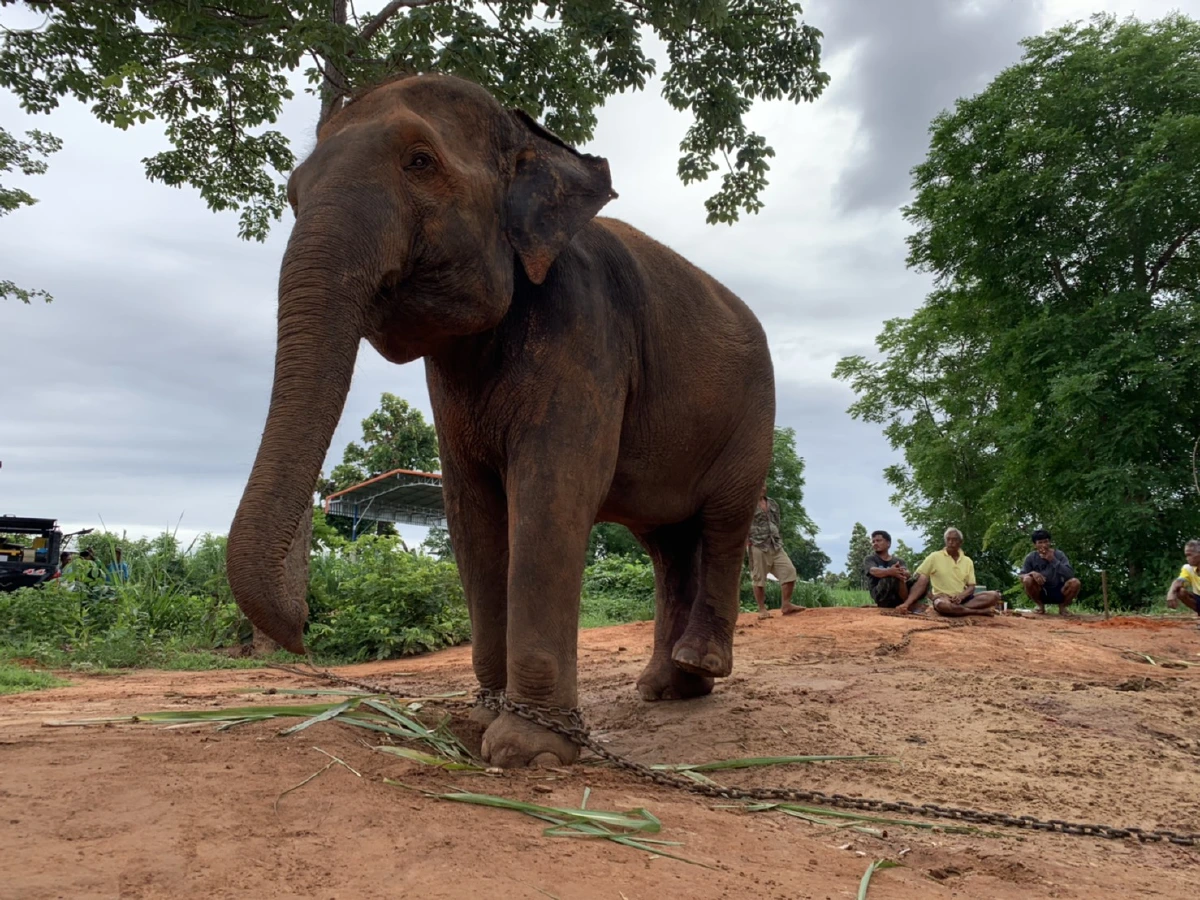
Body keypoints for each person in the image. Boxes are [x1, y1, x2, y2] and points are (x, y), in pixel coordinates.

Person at [901, 527, 1003, 617]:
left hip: (962, 599)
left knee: (994, 595)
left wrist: (961, 596)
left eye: (954, 539)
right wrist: (932, 596)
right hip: (943, 599)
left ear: (960, 542)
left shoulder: (967, 561)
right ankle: (979, 612)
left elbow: (971, 586)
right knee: (943, 605)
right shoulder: (934, 557)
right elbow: (919, 578)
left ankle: (957, 610)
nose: (950, 542)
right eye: (948, 539)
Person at [746, 480, 802, 618]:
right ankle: (762, 609)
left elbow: (777, 521)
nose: (762, 488)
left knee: (789, 571)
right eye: (759, 485)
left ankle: (786, 604)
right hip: (757, 544)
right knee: (759, 578)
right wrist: (747, 541)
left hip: (775, 544)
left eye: (764, 485)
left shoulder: (773, 503)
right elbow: (741, 523)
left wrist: (776, 535)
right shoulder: (747, 504)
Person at [1018, 529, 1081, 615]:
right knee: (1027, 579)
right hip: (1041, 590)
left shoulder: (1059, 555)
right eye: (1040, 542)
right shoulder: (1031, 557)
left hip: (1060, 589)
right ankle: (1040, 606)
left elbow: (1070, 574)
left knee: (1075, 582)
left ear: (1049, 542)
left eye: (1046, 542)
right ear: (1035, 545)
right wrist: (1032, 573)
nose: (1044, 545)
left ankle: (1063, 607)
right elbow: (1021, 576)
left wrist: (1053, 560)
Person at [863, 530, 911, 609]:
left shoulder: (899, 561)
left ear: (888, 543)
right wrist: (890, 572)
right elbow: (873, 571)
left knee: (919, 578)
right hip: (879, 594)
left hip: (899, 595)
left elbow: (907, 573)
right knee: (890, 576)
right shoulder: (870, 559)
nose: (875, 543)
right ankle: (885, 605)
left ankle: (907, 603)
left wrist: (903, 572)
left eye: (878, 540)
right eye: (873, 541)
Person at [1166, 539, 1200, 622]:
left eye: (1189, 555)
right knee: (1180, 591)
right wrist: (1171, 593)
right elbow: (1179, 581)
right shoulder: (1188, 568)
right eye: (1186, 555)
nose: (1187, 558)